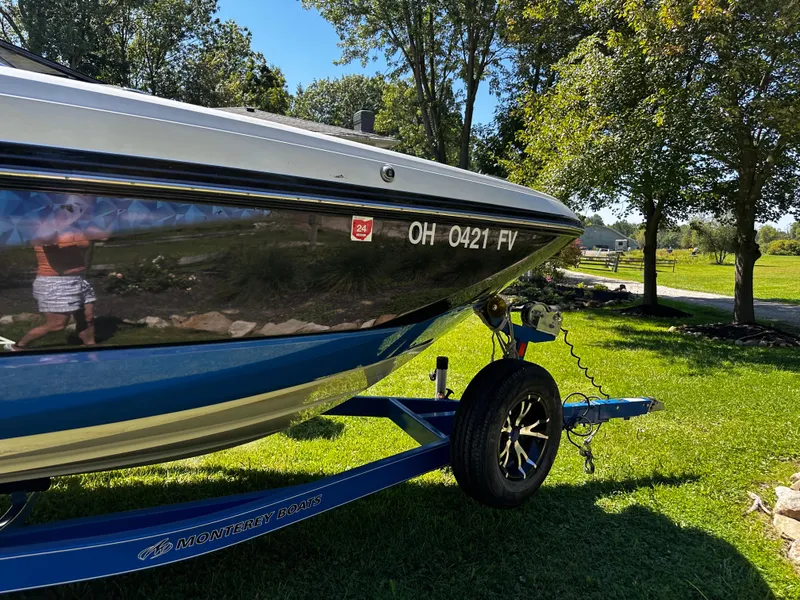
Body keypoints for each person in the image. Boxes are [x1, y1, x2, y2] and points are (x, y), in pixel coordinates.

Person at [4, 196, 107, 351]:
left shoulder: (78, 226)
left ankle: (91, 347)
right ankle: (18, 346)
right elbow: (45, 241)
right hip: (54, 283)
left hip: (78, 279)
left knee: (88, 318)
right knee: (57, 325)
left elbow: (104, 235)